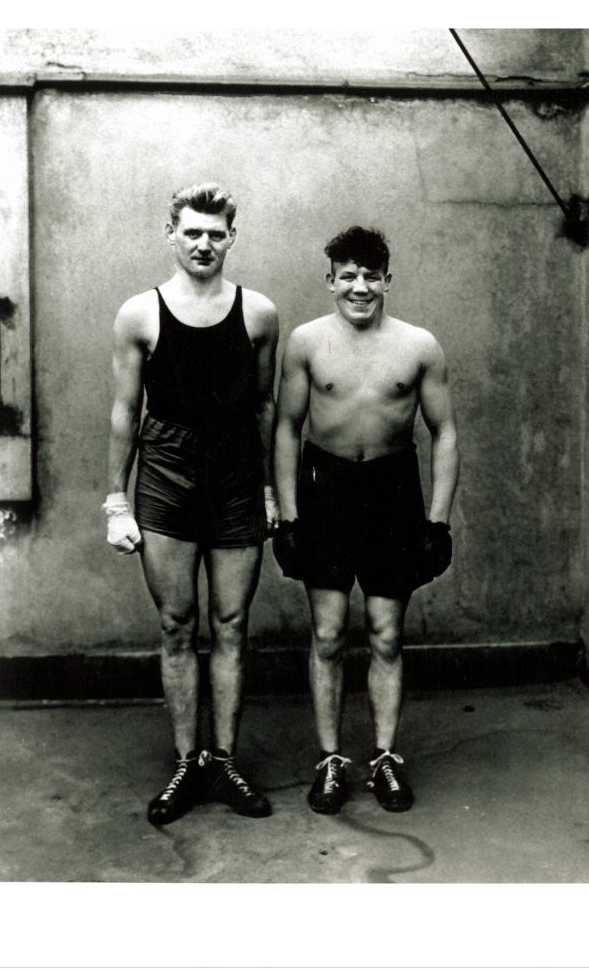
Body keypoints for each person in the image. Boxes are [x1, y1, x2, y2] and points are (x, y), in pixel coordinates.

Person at [103, 183, 279, 825]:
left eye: (215, 232)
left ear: (232, 237)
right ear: (170, 233)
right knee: (177, 623)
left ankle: (223, 761)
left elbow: (263, 407)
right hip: (167, 472)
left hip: (235, 474)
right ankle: (186, 762)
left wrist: (268, 489)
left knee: (231, 624)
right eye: (192, 231)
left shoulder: (258, 313)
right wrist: (115, 501)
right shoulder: (139, 314)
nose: (203, 243)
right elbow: (126, 410)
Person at [273, 226, 459, 815]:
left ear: (386, 280)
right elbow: (285, 429)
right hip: (325, 492)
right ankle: (330, 760)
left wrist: (437, 521)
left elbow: (445, 432)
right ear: (330, 281)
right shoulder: (305, 342)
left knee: (386, 632)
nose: (359, 287)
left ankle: (383, 757)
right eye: (346, 276)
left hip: (392, 492)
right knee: (327, 634)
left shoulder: (419, 346)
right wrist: (288, 515)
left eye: (370, 276)